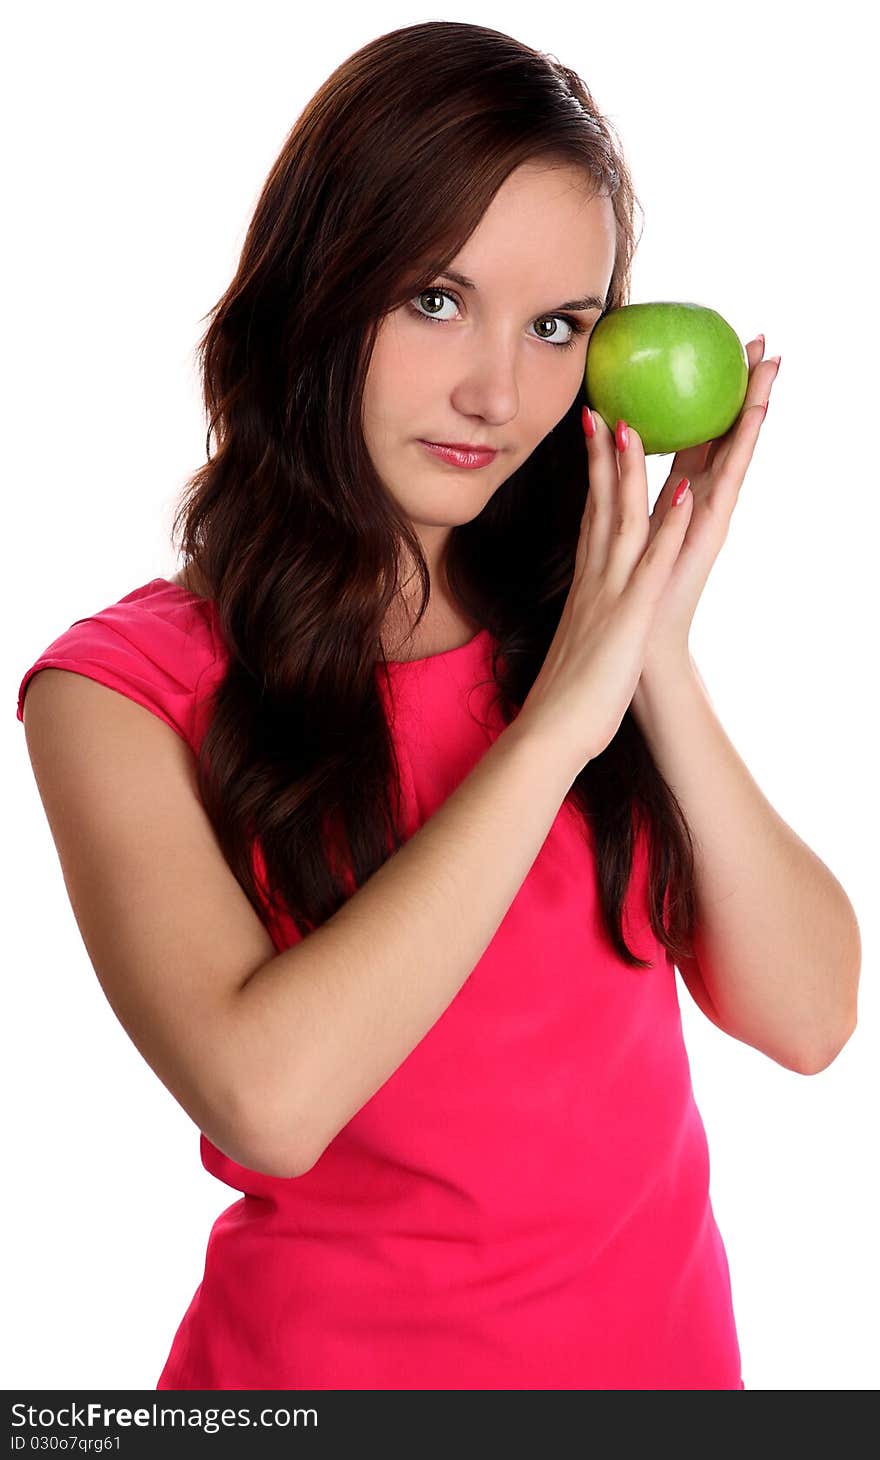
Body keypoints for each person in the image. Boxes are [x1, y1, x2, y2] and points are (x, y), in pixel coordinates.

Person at [16, 21, 860, 1392]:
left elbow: (811, 1016)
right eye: (432, 300)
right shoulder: (118, 689)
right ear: (317, 291)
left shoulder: (579, 639)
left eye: (554, 328)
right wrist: (554, 733)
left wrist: (648, 652)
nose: (496, 392)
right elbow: (266, 1101)